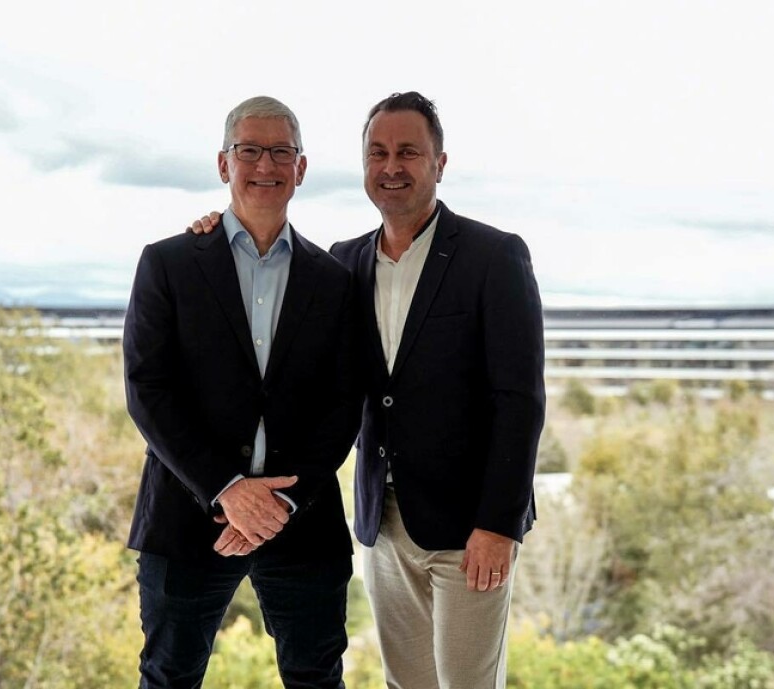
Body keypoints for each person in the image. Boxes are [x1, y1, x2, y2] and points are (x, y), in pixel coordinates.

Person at [191, 91, 545, 689]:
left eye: (408, 152)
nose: (391, 166)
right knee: (404, 682)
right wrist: (210, 229)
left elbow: (521, 400)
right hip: (382, 523)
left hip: (469, 529)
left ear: (440, 162)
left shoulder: (494, 256)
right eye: (377, 152)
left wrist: (500, 524)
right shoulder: (342, 263)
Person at [124, 95, 362, 689]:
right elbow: (148, 390)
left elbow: (343, 404)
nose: (265, 164)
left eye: (281, 151)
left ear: (300, 168)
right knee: (168, 677)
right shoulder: (167, 263)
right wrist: (226, 490)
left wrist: (279, 502)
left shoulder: (334, 281)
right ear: (224, 163)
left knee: (316, 677)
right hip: (185, 514)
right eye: (249, 150)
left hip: (301, 518)